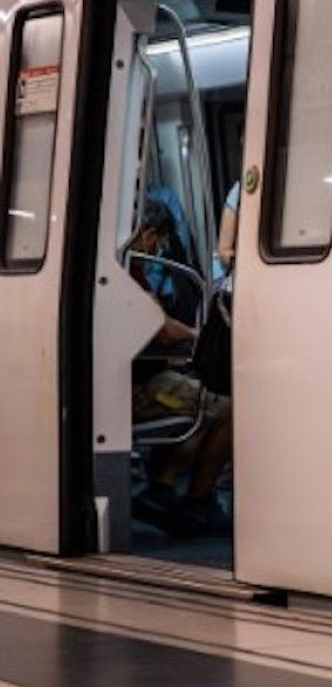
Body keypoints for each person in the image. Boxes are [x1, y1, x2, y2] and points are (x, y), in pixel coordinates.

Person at [128, 199, 233, 535]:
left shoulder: (129, 272)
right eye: (158, 241)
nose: (158, 249)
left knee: (196, 397)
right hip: (138, 390)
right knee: (232, 408)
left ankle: (161, 487)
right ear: (147, 236)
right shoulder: (127, 273)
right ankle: (199, 500)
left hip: (140, 379)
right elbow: (161, 326)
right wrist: (195, 335)